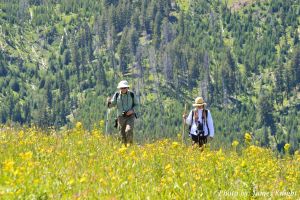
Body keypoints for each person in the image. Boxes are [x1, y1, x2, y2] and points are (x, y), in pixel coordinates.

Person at [107, 80, 138, 146]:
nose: (123, 89)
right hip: (120, 117)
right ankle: (124, 149)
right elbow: (112, 104)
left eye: (124, 87)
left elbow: (137, 105)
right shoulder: (117, 95)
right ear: (119, 88)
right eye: (122, 88)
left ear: (127, 88)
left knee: (128, 130)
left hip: (130, 116)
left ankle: (130, 146)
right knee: (122, 135)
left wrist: (132, 111)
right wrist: (109, 102)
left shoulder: (131, 94)